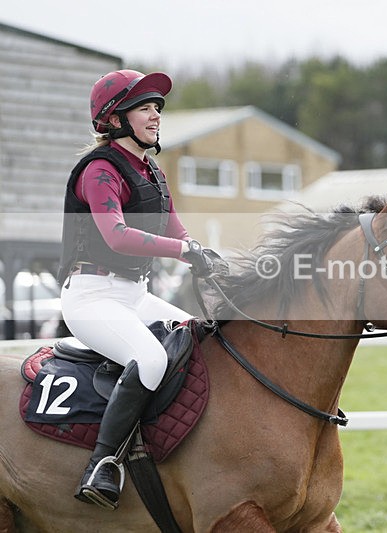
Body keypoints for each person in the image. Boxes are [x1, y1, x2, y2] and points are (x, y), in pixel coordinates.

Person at [57, 69, 212, 508]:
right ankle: (103, 464)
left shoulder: (153, 173)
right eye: (145, 107)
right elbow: (117, 236)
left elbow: (180, 235)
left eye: (158, 107)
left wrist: (211, 258)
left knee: (200, 337)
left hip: (134, 294)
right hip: (91, 297)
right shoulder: (101, 171)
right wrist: (185, 253)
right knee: (149, 357)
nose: (155, 115)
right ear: (116, 118)